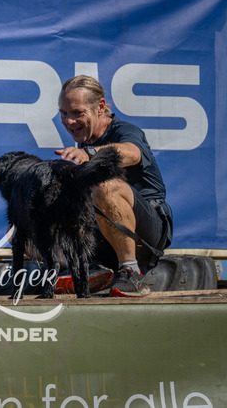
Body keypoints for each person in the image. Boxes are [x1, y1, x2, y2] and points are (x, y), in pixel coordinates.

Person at [55, 75, 173, 297]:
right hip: (106, 237)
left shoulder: (125, 131)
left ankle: (131, 273)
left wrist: (90, 154)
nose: (69, 121)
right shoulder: (84, 141)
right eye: (64, 113)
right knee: (26, 222)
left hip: (148, 234)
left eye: (78, 113)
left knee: (104, 185)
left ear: (100, 107)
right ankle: (88, 269)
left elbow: (132, 153)